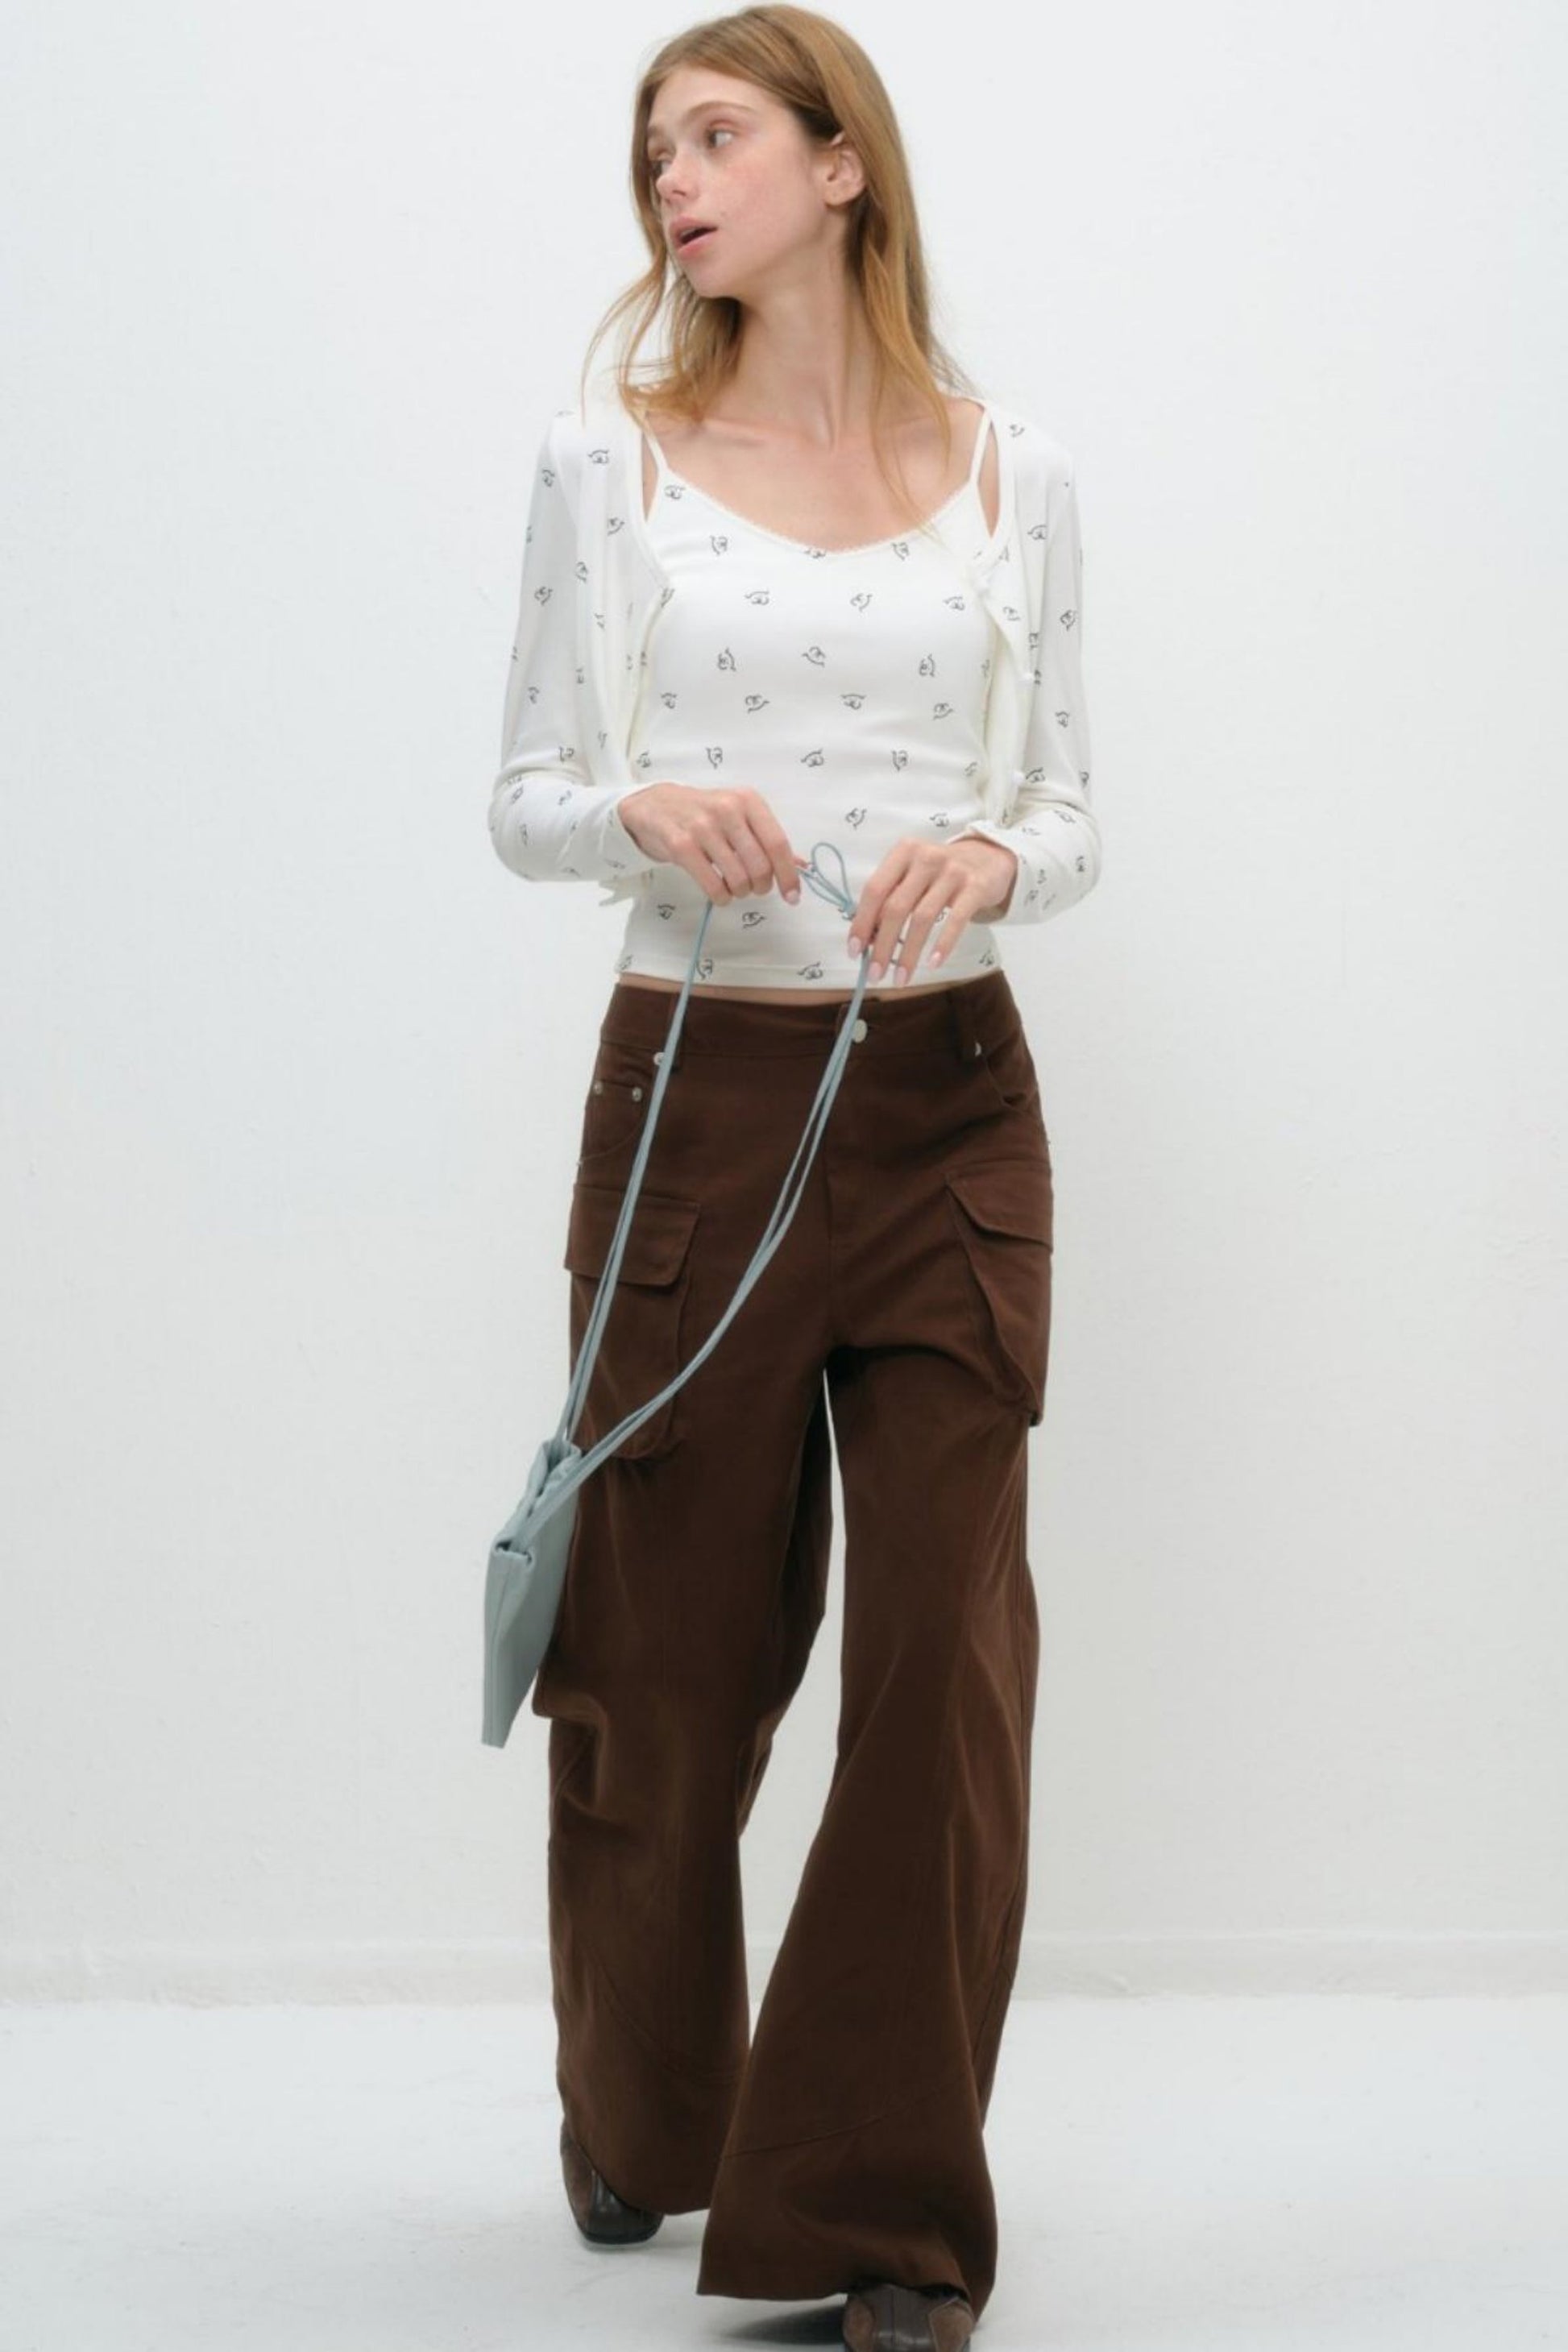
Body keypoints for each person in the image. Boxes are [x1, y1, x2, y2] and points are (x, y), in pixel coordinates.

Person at [487, 10, 1101, 2346]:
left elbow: (1069, 805)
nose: (673, 180)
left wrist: (991, 857)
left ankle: (874, 2220)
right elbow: (528, 794)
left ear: (843, 166)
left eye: (718, 135)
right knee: (667, 1662)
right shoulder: (608, 466)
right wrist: (636, 811)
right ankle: (644, 2107)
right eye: (654, 149)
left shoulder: (1014, 470)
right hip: (698, 1103)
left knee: (942, 1662)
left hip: (948, 1109)